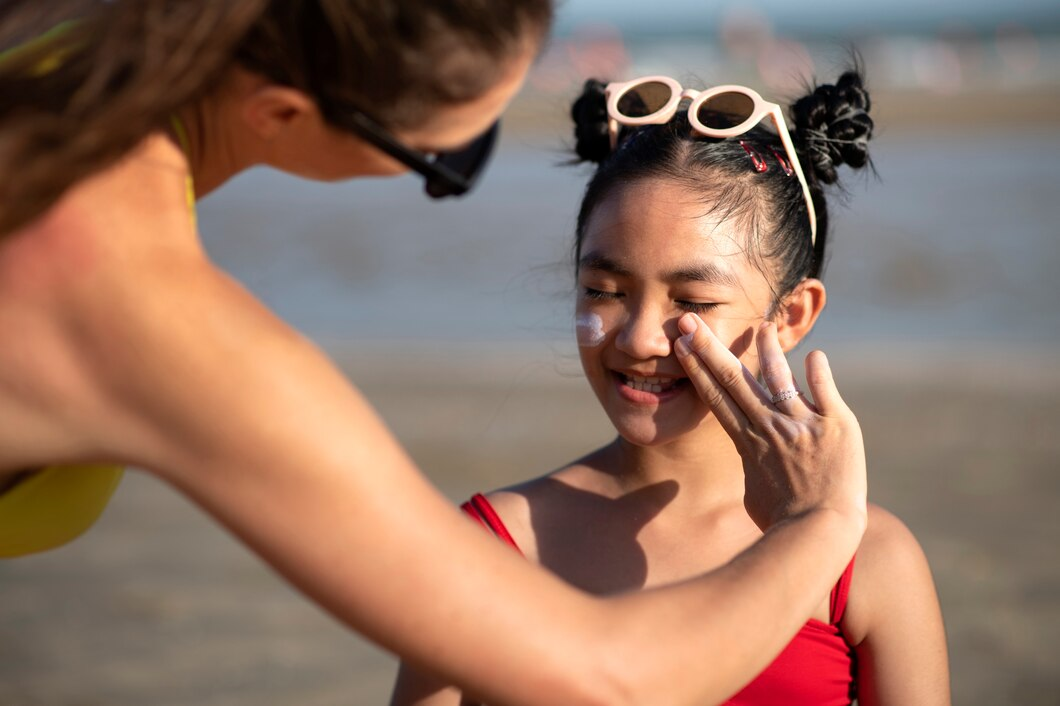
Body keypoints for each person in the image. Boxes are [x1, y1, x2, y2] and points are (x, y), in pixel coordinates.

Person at [0, 2, 869, 704]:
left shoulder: (49, 45)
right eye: (446, 160)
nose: (450, 179)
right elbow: (602, 676)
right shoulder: (137, 309)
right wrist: (820, 523)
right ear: (279, 111)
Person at [392, 70, 950, 705]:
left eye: (693, 300)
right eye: (604, 291)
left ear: (791, 315)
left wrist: (822, 527)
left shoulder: (868, 558)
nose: (638, 339)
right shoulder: (493, 546)